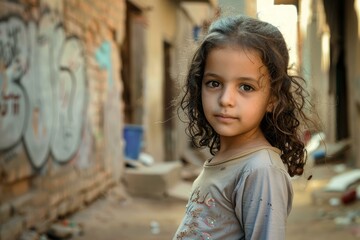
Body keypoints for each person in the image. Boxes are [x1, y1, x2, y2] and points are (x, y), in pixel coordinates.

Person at [174, 14, 313, 240]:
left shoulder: (260, 170)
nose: (225, 99)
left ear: (273, 99)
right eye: (214, 83)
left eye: (246, 87)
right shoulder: (226, 159)